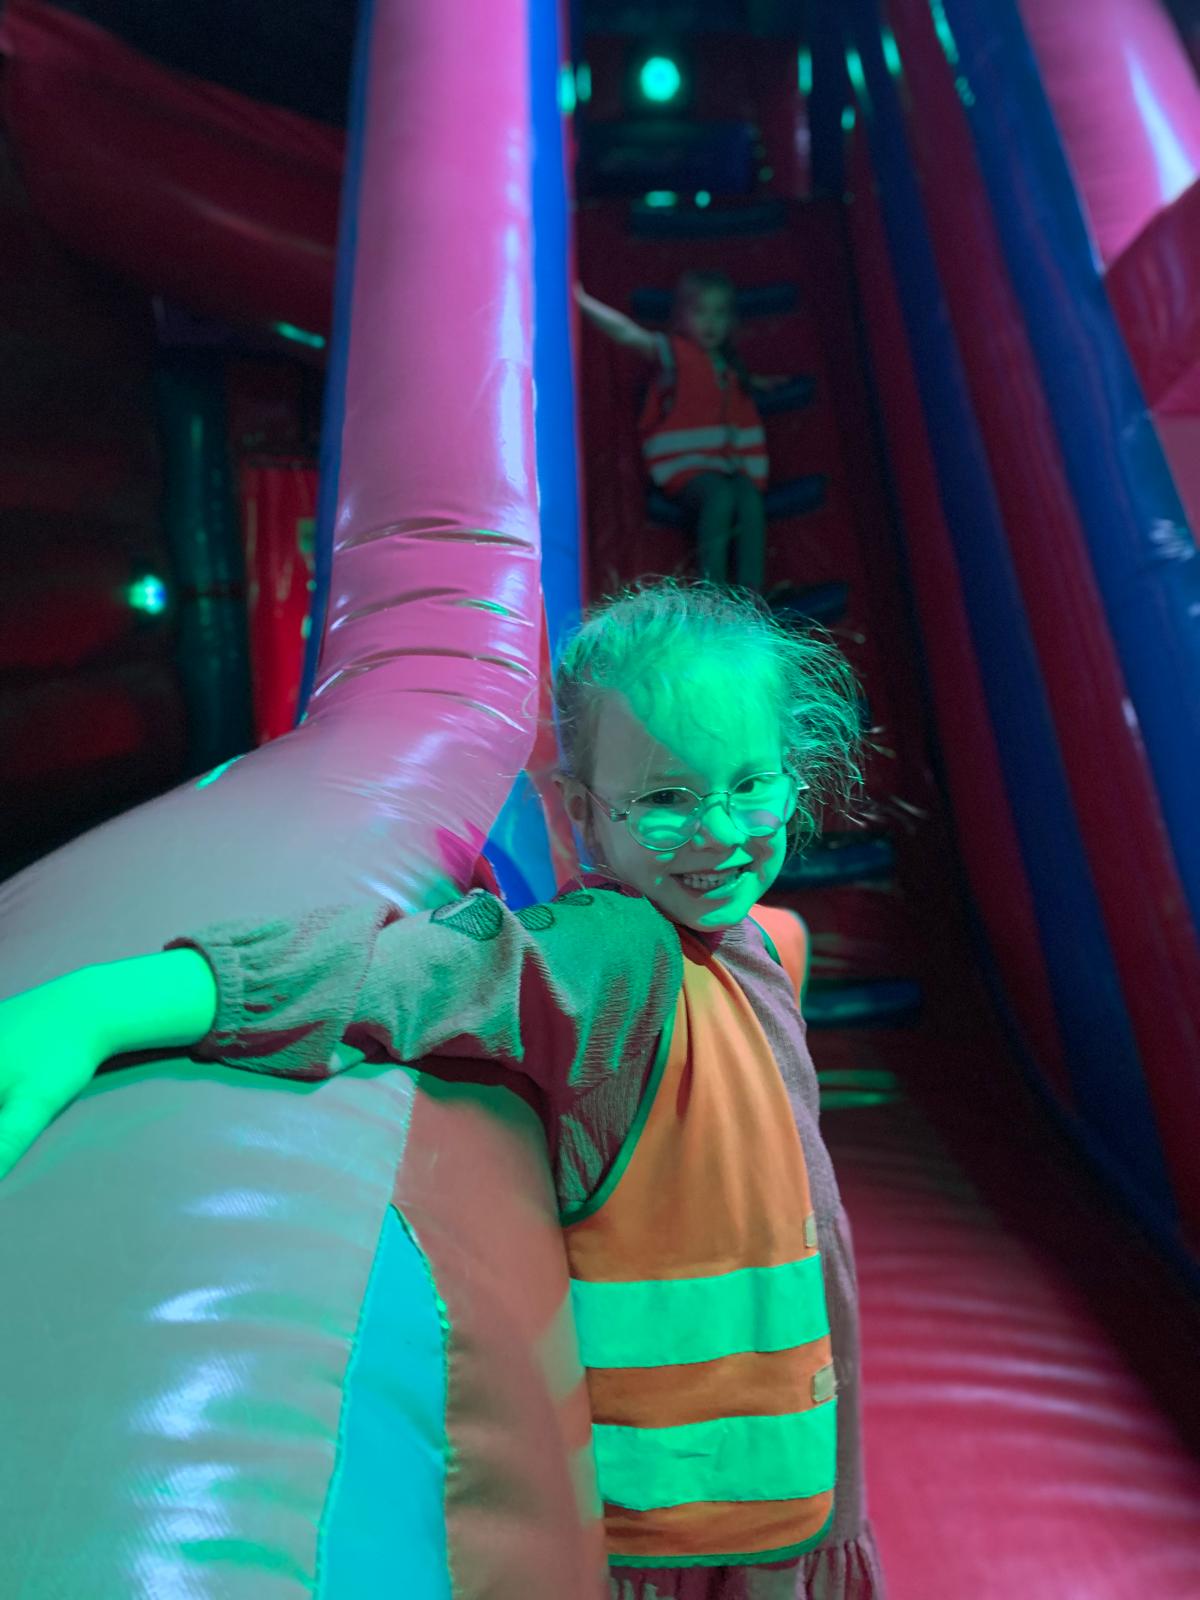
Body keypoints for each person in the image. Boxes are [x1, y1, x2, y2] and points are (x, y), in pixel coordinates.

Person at [0, 579, 886, 1599]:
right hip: (693, 1533)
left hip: (789, 1484)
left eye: (750, 784)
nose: (720, 829)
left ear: (794, 780)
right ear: (585, 814)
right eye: (666, 799)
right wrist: (103, 1005)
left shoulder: (745, 941)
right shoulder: (614, 958)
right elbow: (403, 973)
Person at [577, 272, 786, 593]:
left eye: (719, 313)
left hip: (727, 467)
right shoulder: (675, 355)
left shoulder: (728, 365)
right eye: (700, 312)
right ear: (681, 318)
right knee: (720, 496)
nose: (710, 322)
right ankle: (712, 591)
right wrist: (582, 301)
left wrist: (760, 383)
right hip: (687, 470)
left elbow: (725, 390)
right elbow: (628, 335)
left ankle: (751, 593)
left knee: (749, 499)